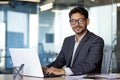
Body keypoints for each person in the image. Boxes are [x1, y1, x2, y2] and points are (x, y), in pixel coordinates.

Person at [43, 6, 104, 76]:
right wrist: (46, 69)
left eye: (80, 20)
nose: (76, 24)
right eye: (73, 21)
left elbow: (89, 65)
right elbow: (59, 62)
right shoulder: (67, 40)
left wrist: (63, 71)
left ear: (87, 21)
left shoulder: (96, 41)